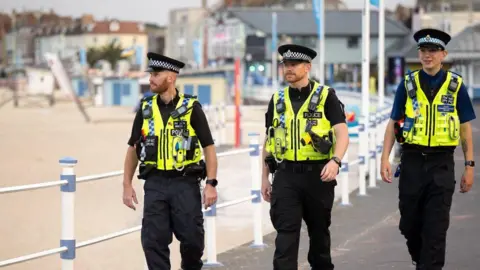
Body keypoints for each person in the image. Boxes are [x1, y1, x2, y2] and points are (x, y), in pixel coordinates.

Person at [380, 28, 476, 270]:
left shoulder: (455, 86)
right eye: (423, 50)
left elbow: (465, 128)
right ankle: (421, 258)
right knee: (409, 225)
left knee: (436, 228)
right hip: (412, 162)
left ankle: (428, 264)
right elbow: (393, 123)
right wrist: (384, 159)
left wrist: (469, 166)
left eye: (433, 50)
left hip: (441, 164)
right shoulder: (408, 84)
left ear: (443, 54)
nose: (427, 55)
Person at [122, 52, 219, 270]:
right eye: (151, 74)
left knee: (193, 241)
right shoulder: (145, 109)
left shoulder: (191, 108)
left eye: (156, 74)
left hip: (185, 184)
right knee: (153, 242)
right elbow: (133, 148)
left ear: (171, 77)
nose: (151, 79)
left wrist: (211, 184)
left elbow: (209, 148)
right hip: (155, 184)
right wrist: (127, 185)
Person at [261, 44, 350, 270]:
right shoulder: (277, 100)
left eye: (294, 65)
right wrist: (264, 179)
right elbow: (268, 141)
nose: (288, 69)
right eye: (285, 65)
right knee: (285, 237)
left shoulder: (325, 96)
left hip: (318, 176)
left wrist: (336, 161)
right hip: (286, 176)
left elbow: (342, 134)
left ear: (307, 67)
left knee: (319, 236)